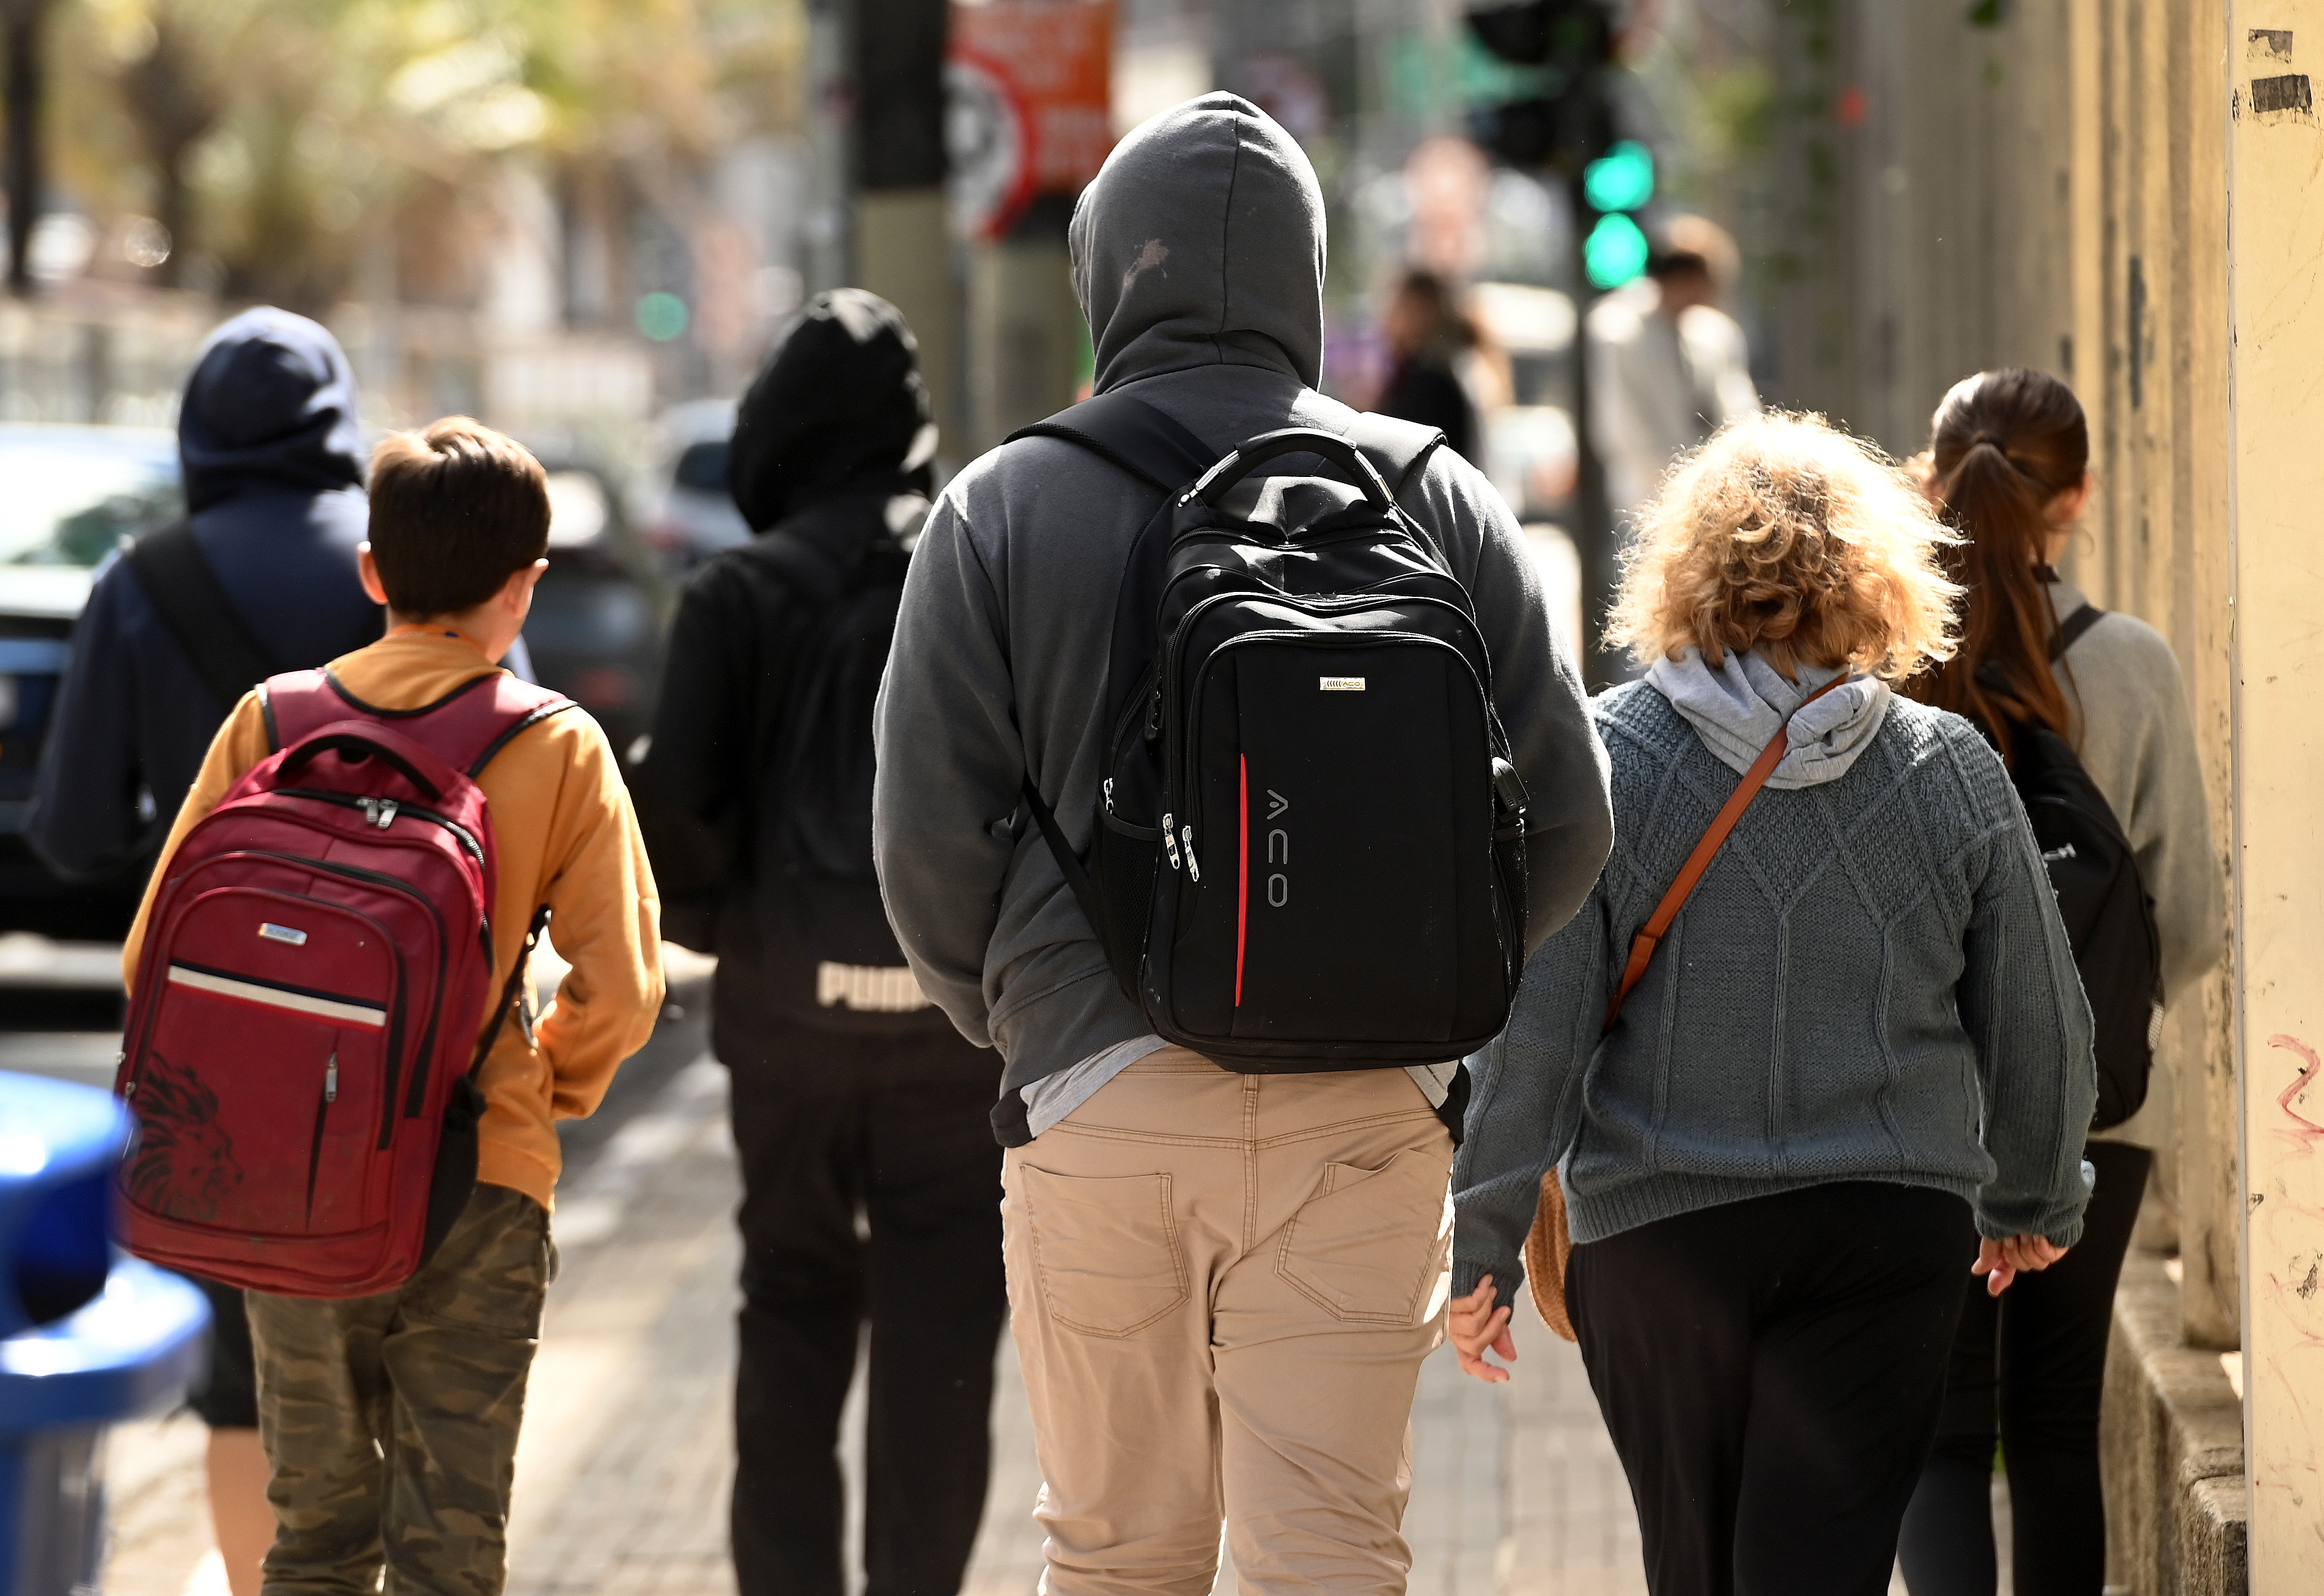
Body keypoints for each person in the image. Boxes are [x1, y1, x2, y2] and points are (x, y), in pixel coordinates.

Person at [872, 92, 1612, 1592]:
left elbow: (926, 843)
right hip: (1364, 1109)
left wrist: (1025, 1017)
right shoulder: (1434, 495)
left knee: (1116, 1554)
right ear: (1305, 278)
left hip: (1096, 1092)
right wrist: (1421, 993)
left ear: (1105, 271)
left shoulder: (999, 506)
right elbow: (1571, 817)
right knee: (1328, 1552)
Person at [1445, 411, 2098, 1596]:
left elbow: (1531, 1028)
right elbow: (2039, 1017)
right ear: (1879, 578)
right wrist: (2032, 1196)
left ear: (1681, 574)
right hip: (1883, 1228)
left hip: (1658, 1236)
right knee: (1817, 1569)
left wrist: (1482, 1243)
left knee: (1692, 1569)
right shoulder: (1950, 769)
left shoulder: (1606, 761)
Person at [121, 416, 664, 1595]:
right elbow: (622, 987)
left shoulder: (270, 720)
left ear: (371, 572)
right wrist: (540, 1092)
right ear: (524, 586)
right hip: (481, 1175)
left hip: (286, 1182)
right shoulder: (557, 744)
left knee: (314, 1537)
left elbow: (147, 960)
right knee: (448, 1553)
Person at [634, 290, 1008, 1596]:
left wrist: (742, 936)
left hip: (787, 1032)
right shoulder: (974, 570)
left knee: (788, 1310)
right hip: (954, 1034)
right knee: (941, 1342)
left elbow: (675, 819)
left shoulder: (737, 592)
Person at [27, 306, 382, 1596]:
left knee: (242, 1381)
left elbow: (72, 833)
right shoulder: (403, 561)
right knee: (390, 1355)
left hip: (214, 1045)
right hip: (405, 1032)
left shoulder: (145, 578)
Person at [1895, 369, 2225, 1596]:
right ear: (2076, 499)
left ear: (1928, 486)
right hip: (2102, 1108)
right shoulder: (2131, 665)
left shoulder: (1885, 656)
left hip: (1921, 1106)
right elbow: (2190, 925)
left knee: (1941, 1434)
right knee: (2050, 1422)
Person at [1583, 214, 1760, 519]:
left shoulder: (1715, 333)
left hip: (1718, 498)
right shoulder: (1619, 330)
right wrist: (1682, 489)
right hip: (1648, 501)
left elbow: (1738, 410)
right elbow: (1624, 427)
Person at [1373, 268, 1491, 465]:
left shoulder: (1429, 382)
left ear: (1420, 312)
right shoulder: (1444, 371)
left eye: (1397, 307)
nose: (1386, 317)